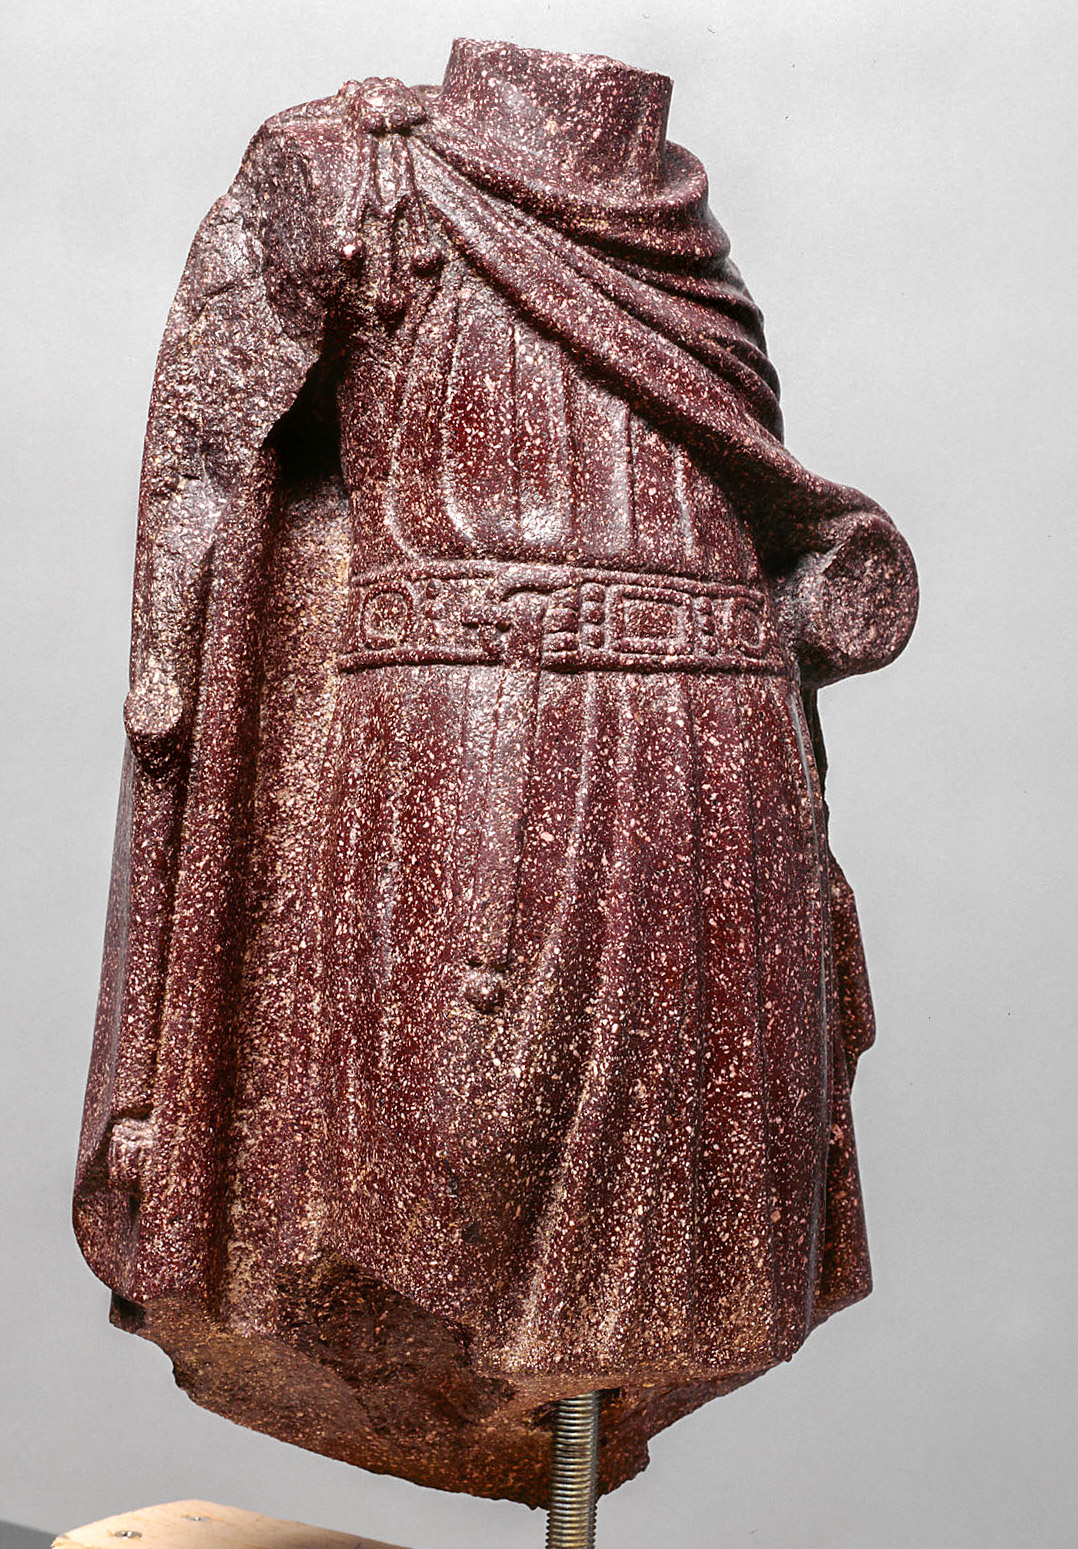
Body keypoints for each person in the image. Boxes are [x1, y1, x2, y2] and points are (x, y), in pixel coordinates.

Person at [75, 39, 917, 1505]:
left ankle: (581, 1392)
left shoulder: (684, 232)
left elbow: (743, 492)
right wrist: (171, 670)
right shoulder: (357, 166)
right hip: (468, 719)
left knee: (679, 1185)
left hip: (705, 739)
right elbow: (209, 449)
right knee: (441, 1155)